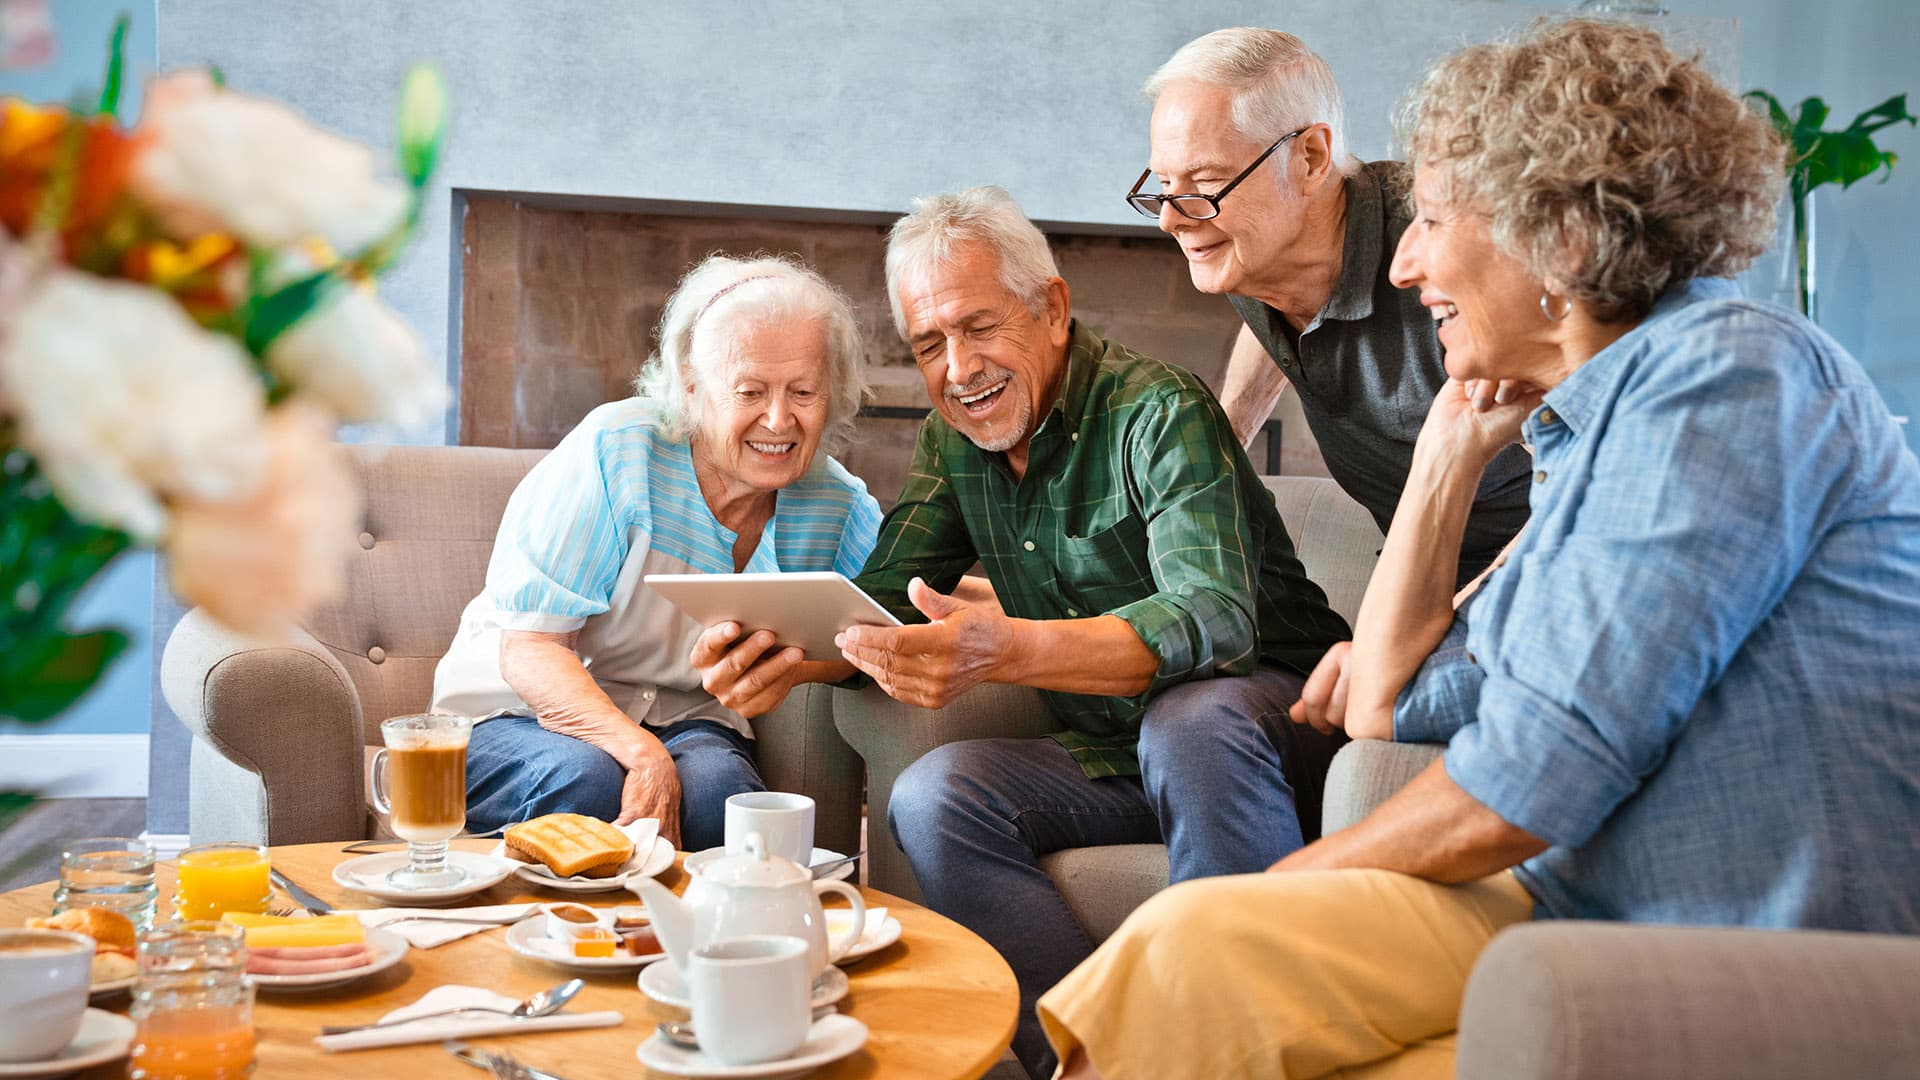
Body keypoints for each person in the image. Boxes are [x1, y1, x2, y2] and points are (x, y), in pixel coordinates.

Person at [1040, 19, 1920, 1078]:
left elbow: (1526, 785)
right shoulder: (1579, 437)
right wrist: (1451, 450)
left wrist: (1262, 896)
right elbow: (1387, 703)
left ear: (1562, 241)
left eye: (1436, 220)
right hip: (1580, 907)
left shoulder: (1725, 380)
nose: (1407, 262)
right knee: (1186, 966)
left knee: (1208, 946)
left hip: (1730, 935)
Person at [693, 186, 1350, 1078]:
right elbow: (885, 599)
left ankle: (1226, 1053)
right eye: (930, 345)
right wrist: (786, 657)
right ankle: (1090, 1059)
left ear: (1052, 308)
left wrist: (1009, 645)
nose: (958, 367)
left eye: (977, 327)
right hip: (1119, 751)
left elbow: (1215, 620)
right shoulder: (953, 441)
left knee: (1190, 719)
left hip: (1280, 729)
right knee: (937, 794)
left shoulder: (1158, 411)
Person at [429, 254, 881, 849]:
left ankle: (698, 942)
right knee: (587, 784)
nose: (779, 419)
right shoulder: (618, 453)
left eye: (804, 391)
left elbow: (870, 636)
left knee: (724, 802)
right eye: (749, 390)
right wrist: (642, 756)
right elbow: (532, 647)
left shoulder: (837, 506)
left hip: (689, 721)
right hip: (514, 714)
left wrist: (791, 669)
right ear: (692, 386)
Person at [1137, 28, 1531, 585]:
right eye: (1164, 185)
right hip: (1418, 564)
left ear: (1311, 158)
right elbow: (1267, 312)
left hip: (1530, 565)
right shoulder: (1246, 249)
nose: (1172, 219)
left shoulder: (1442, 250)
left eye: (1204, 182)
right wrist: (1225, 449)